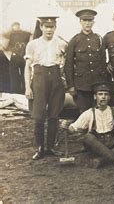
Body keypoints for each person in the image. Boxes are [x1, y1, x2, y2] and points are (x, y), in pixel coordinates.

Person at [63, 82, 114, 168]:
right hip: (96, 144)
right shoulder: (89, 113)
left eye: (106, 94)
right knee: (88, 137)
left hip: (112, 141)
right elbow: (73, 127)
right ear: (95, 97)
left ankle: (103, 159)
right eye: (100, 94)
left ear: (109, 97)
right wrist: (67, 127)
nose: (103, 97)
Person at [24, 16, 67, 160]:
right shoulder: (33, 44)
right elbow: (27, 68)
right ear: (41, 27)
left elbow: (66, 63)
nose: (49, 29)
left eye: (52, 27)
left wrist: (63, 80)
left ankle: (51, 147)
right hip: (39, 78)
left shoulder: (61, 43)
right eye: (46, 26)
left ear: (55, 28)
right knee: (39, 115)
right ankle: (40, 147)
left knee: (54, 115)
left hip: (55, 78)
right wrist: (27, 88)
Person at [64, 9, 108, 112]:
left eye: (90, 20)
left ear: (93, 22)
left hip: (97, 83)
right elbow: (69, 65)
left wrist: (103, 82)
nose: (87, 23)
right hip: (81, 84)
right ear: (80, 22)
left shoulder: (99, 39)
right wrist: (71, 85)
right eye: (84, 20)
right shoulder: (75, 40)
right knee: (84, 112)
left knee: (98, 111)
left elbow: (103, 62)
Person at [3, 22, 31, 94]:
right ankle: (25, 91)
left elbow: (7, 46)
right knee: (24, 75)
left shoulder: (11, 33)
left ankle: (15, 93)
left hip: (15, 57)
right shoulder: (26, 33)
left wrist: (4, 48)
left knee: (14, 76)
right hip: (24, 57)